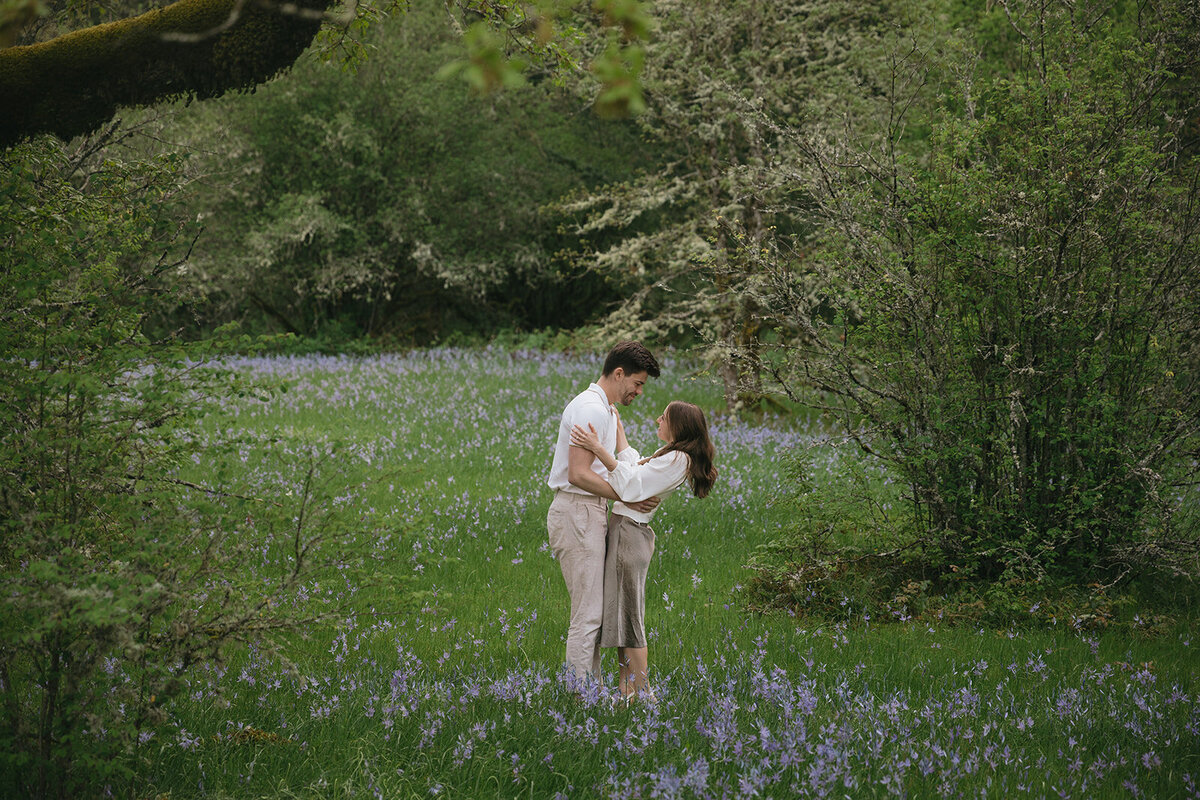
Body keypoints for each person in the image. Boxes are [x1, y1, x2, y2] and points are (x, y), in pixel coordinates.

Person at [570, 400, 717, 703]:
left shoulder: (678, 459)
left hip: (629, 534)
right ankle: (630, 692)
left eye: (663, 417)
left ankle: (640, 692)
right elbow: (633, 466)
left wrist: (598, 448)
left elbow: (630, 485)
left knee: (630, 619)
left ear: (678, 426)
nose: (657, 420)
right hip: (627, 532)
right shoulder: (672, 456)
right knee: (624, 618)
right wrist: (619, 430)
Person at [546, 341, 661, 686]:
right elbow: (578, 473)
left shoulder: (606, 410)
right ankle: (581, 699)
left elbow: (618, 462)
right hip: (577, 512)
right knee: (588, 616)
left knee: (593, 614)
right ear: (619, 373)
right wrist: (627, 497)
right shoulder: (591, 409)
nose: (639, 391)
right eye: (637, 383)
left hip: (590, 511)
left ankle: (588, 694)